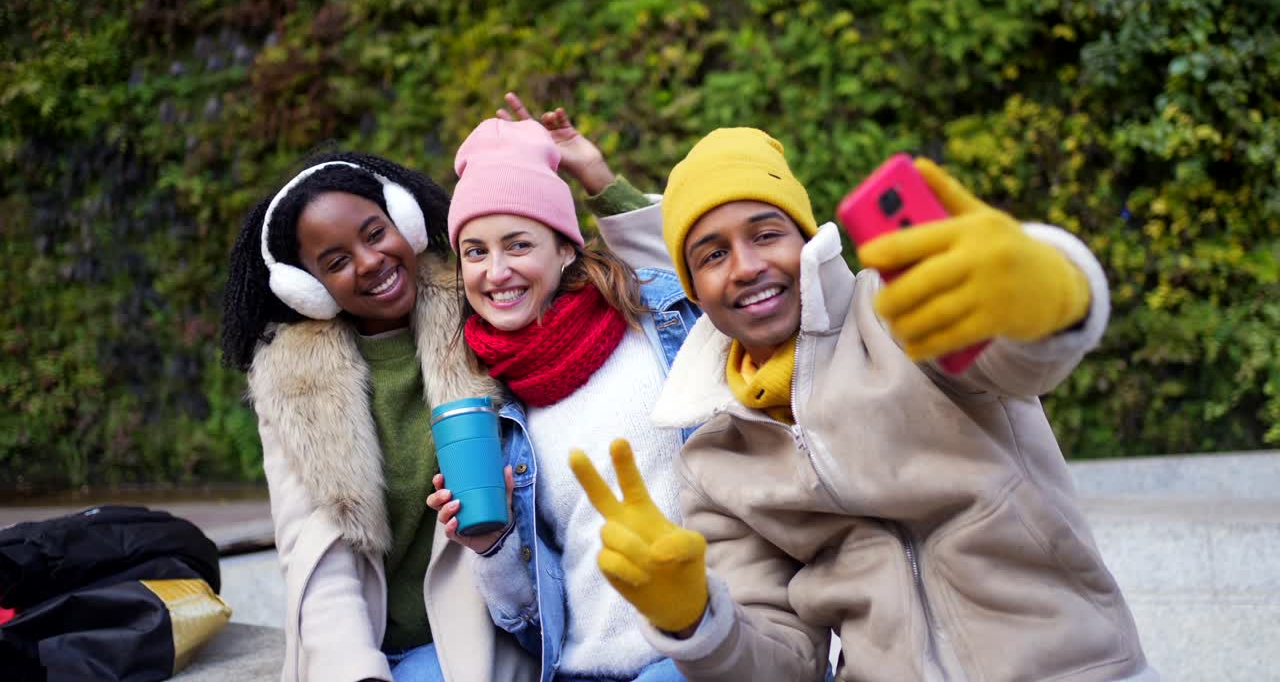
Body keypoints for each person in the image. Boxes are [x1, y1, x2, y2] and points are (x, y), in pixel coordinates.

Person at [569, 128, 1159, 681]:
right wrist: (696, 621)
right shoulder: (715, 458)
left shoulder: (901, 311)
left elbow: (1021, 357)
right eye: (712, 254)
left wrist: (1049, 291)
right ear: (693, 287)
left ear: (805, 239)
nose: (746, 267)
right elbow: (786, 662)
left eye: (766, 233)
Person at [219, 105, 661, 682]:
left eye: (375, 233)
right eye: (336, 261)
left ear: (405, 221)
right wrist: (358, 672)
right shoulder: (292, 385)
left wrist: (598, 180)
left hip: (493, 632)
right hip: (380, 648)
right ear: (308, 289)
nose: (370, 261)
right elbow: (318, 556)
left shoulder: (478, 310)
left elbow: (661, 290)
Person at [424, 103, 701, 682]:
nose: (495, 271)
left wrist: (595, 173)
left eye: (518, 244)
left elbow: (703, 260)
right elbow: (529, 618)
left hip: (706, 648)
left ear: (566, 248)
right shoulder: (492, 409)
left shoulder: (656, 322)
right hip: (584, 669)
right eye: (475, 251)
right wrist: (492, 545)